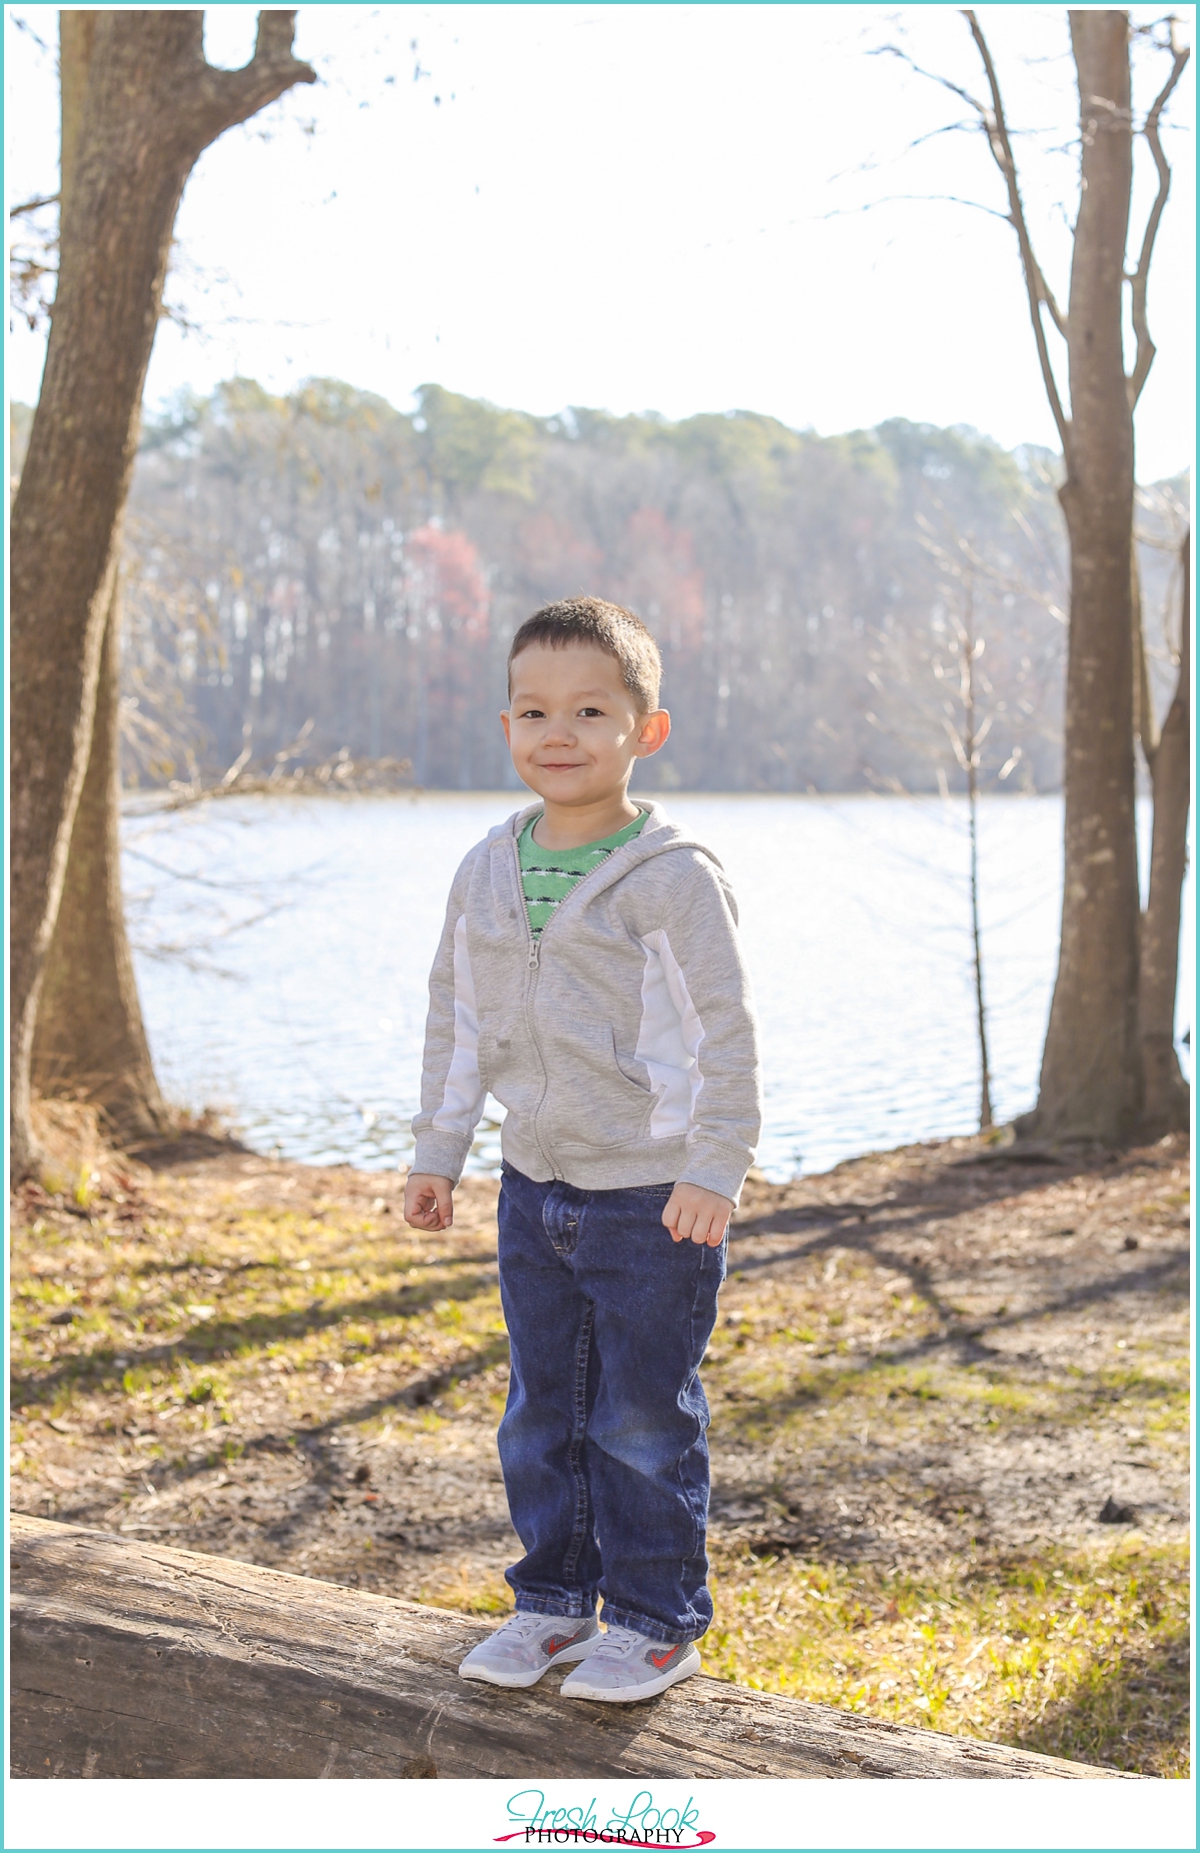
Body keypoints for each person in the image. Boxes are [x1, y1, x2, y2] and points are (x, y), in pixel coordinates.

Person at [404, 596, 761, 1703]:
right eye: (534, 710)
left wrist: (714, 1165)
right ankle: (553, 1600)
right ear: (507, 725)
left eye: (590, 709)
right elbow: (456, 1016)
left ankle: (655, 1619)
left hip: (652, 1199)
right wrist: (438, 1149)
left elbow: (724, 1034)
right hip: (533, 1187)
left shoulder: (671, 878)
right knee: (543, 1408)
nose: (558, 732)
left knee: (642, 1412)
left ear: (644, 731)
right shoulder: (486, 868)